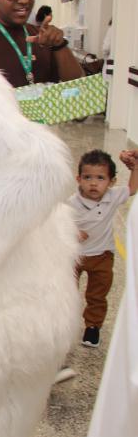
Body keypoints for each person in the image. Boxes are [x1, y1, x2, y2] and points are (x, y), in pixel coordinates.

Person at [68, 149, 138, 348]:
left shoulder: (113, 196)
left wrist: (135, 169)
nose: (93, 183)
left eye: (100, 178)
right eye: (87, 177)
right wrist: (72, 232)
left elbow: (132, 189)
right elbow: (56, 223)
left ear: (111, 182)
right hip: (74, 257)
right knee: (69, 293)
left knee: (97, 294)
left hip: (102, 256)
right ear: (78, 178)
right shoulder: (72, 203)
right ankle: (68, 324)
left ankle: (93, 327)